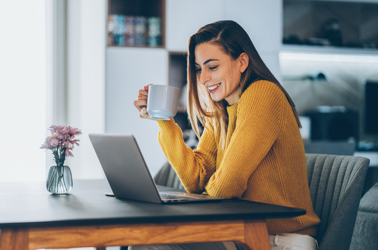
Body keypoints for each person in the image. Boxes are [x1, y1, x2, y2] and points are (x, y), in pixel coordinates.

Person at [133, 20, 320, 250]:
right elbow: (195, 180)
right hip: (240, 232)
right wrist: (164, 121)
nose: (202, 79)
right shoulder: (221, 111)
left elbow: (226, 187)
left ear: (242, 62)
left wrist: (207, 192)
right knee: (146, 241)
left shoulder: (263, 94)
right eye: (199, 69)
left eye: (212, 67)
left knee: (151, 244)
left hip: (280, 239)